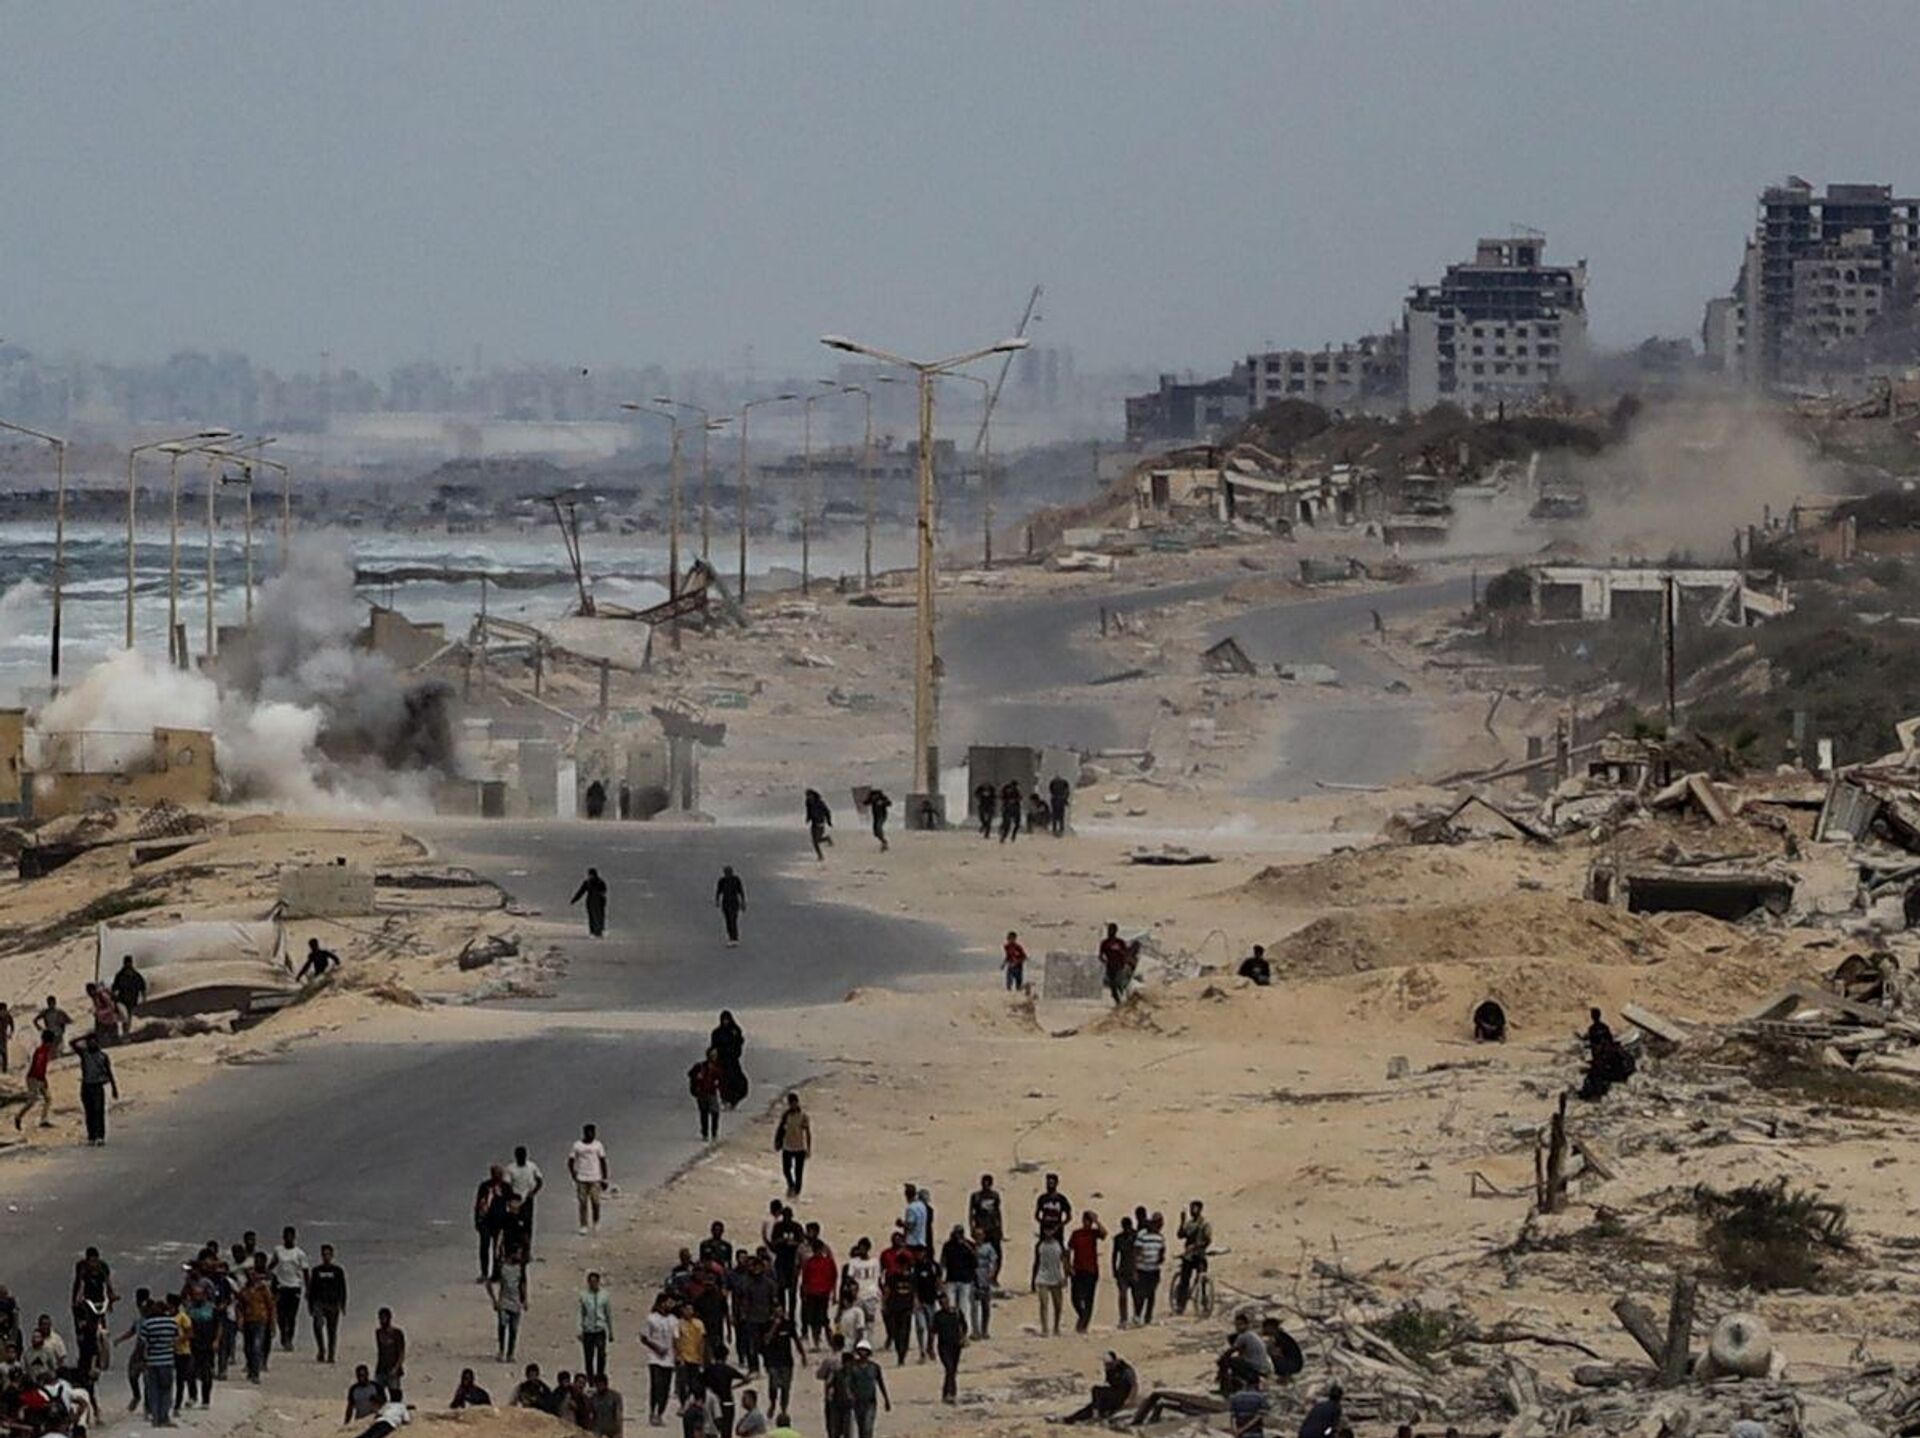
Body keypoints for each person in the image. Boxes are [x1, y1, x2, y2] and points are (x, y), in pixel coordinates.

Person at [1059, 1351, 1136, 1424]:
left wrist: (1129, 1399)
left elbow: (1134, 1385)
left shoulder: (1125, 1369)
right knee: (1090, 1407)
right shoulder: (1109, 1369)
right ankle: (1070, 1419)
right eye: (1106, 1364)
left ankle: (1096, 1414)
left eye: (1109, 1364)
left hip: (1121, 1395)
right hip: (1113, 1395)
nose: (1107, 1366)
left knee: (1096, 1390)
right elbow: (1108, 1383)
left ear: (1115, 1361)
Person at [138, 1297, 179, 1427]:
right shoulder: (172, 1323)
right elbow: (176, 1340)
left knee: (153, 1390)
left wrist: (141, 1359)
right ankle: (164, 1417)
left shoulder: (147, 1324)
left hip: (152, 1361)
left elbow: (142, 1343)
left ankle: (155, 1418)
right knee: (166, 1390)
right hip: (167, 1361)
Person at [642, 1294, 682, 1426]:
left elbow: (676, 1339)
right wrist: (657, 1348)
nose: (670, 1305)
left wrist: (677, 1355)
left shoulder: (674, 1320)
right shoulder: (651, 1318)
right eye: (668, 1303)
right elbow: (644, 1338)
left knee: (665, 1388)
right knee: (656, 1385)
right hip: (655, 1358)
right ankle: (652, 1411)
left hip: (669, 1359)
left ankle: (660, 1413)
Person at [759, 1306, 803, 1421]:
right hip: (773, 1361)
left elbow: (796, 1339)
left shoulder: (788, 1324)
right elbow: (766, 1340)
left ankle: (784, 1410)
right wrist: (774, 1326)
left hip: (786, 1361)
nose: (780, 1314)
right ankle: (773, 1403)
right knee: (773, 1385)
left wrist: (802, 1354)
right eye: (777, 1312)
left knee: (785, 1387)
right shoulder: (767, 1325)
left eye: (781, 1312)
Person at [73, 1033, 117, 1144]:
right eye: (90, 1042)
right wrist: (85, 1036)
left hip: (98, 1086)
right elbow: (72, 1043)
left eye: (94, 1042)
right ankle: (91, 1136)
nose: (92, 1044)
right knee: (89, 1112)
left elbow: (109, 1072)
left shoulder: (103, 1056)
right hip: (86, 1086)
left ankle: (100, 1136)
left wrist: (114, 1088)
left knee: (99, 1111)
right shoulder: (84, 1054)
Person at [270, 1226, 309, 1351]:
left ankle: (289, 1340)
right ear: (283, 1237)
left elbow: (306, 1272)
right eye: (286, 1236)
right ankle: (283, 1335)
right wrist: (267, 1275)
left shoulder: (299, 1253)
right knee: (280, 1315)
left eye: (291, 1236)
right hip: (281, 1287)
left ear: (294, 1237)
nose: (288, 1238)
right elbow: (272, 1264)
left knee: (291, 1316)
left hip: (295, 1287)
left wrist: (308, 1289)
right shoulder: (278, 1250)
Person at [7, 1032, 56, 1131]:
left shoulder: (43, 1050)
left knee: (48, 1099)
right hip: (34, 1078)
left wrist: (43, 1079)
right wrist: (41, 1079)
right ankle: (18, 1117)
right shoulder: (41, 1051)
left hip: (39, 1078)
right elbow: (38, 1066)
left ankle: (43, 1120)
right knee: (32, 1101)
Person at [308, 1243, 348, 1363]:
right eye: (324, 1254)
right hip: (319, 1303)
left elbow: (343, 1288)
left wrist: (343, 1304)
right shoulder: (316, 1271)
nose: (326, 1257)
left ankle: (331, 1354)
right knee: (317, 1326)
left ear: (332, 1255)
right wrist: (310, 1305)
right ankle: (321, 1349)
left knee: (332, 1330)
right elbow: (312, 1289)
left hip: (333, 1304)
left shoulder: (338, 1271)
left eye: (328, 1254)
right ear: (321, 1256)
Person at [1068, 1212, 1106, 1333]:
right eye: (1086, 1220)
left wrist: (1096, 1221)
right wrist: (1068, 1266)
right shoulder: (1076, 1233)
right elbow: (1069, 1249)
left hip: (1091, 1270)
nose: (1087, 1223)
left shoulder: (1094, 1233)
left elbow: (1104, 1233)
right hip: (1078, 1269)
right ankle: (1082, 1315)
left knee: (1089, 1299)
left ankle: (1083, 1325)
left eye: (1089, 1221)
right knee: (1075, 1298)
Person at [488, 1243, 527, 1361]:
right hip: (504, 1302)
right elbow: (489, 1283)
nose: (520, 1256)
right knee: (503, 1326)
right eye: (518, 1253)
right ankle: (501, 1350)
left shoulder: (520, 1268)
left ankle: (510, 1353)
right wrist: (494, 1300)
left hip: (516, 1302)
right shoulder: (502, 1268)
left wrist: (525, 1299)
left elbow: (523, 1284)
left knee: (513, 1329)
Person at [843, 1341, 889, 1438]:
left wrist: (886, 1399)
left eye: (864, 1350)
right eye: (860, 1350)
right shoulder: (852, 1367)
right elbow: (847, 1382)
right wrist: (849, 1395)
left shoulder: (874, 1367)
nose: (862, 1353)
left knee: (868, 1427)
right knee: (861, 1427)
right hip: (857, 1402)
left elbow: (880, 1383)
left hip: (870, 1402)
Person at [570, 1123, 610, 1234]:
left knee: (595, 1202)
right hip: (582, 1178)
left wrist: (604, 1178)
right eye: (589, 1133)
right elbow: (571, 1160)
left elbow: (603, 1161)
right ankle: (583, 1225)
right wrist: (574, 1174)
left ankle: (596, 1221)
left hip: (595, 1178)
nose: (591, 1135)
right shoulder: (577, 1145)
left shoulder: (598, 1145)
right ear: (584, 1133)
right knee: (582, 1202)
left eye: (593, 1133)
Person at [1173, 1200, 1212, 1315]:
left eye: (1194, 1208)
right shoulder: (1189, 1224)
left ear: (1200, 1209)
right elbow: (1180, 1235)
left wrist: (1197, 1246)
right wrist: (1182, 1221)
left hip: (1199, 1255)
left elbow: (1208, 1240)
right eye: (1191, 1208)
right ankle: (1181, 1305)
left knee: (1203, 1280)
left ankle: (1204, 1303)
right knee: (1184, 1280)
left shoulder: (1205, 1224)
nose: (1191, 1211)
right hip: (1189, 1256)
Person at [928, 1290, 967, 1404]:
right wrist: (930, 1348)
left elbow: (964, 1326)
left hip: (956, 1346)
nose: (944, 1304)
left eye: (945, 1301)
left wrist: (963, 1337)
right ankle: (950, 1393)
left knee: (952, 1370)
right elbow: (932, 1333)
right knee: (949, 1368)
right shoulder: (938, 1316)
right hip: (943, 1347)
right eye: (941, 1302)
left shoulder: (957, 1312)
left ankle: (949, 1393)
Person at [704, 1342, 749, 1438]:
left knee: (712, 1430)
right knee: (727, 1431)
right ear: (725, 1357)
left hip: (712, 1403)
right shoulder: (728, 1369)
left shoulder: (709, 1370)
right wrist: (735, 1387)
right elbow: (746, 1379)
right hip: (727, 1402)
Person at [504, 1144, 545, 1250]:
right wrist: (510, 1197)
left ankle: (527, 1249)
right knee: (513, 1223)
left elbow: (539, 1180)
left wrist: (533, 1192)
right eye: (519, 1155)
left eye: (523, 1155)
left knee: (527, 1224)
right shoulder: (510, 1168)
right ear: (516, 1156)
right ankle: (513, 1247)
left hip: (527, 1199)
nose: (521, 1157)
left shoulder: (532, 1166)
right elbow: (506, 1185)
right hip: (515, 1201)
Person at [475, 1164, 512, 1279]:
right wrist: (477, 1220)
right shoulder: (485, 1186)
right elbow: (478, 1204)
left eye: (500, 1174)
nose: (498, 1176)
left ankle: (496, 1273)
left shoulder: (505, 1187)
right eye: (496, 1174)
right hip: (486, 1221)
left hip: (500, 1222)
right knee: (484, 1246)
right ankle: (484, 1272)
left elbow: (510, 1203)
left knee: (498, 1249)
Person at [236, 1268, 274, 1380]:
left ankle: (255, 1373)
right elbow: (239, 1306)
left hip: (261, 1320)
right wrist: (240, 1319)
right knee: (248, 1347)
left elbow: (270, 1306)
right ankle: (251, 1367)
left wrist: (272, 1323)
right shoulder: (244, 1291)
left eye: (253, 1275)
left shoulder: (263, 1290)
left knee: (257, 1346)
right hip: (248, 1320)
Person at [1031, 1225, 1068, 1337]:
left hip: (1056, 1277)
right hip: (1042, 1277)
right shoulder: (1040, 1245)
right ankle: (1045, 1328)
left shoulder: (1059, 1245)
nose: (1048, 1232)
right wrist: (1033, 1280)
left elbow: (1064, 1261)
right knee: (1043, 1304)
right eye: (1046, 1230)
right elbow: (1036, 1262)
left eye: (1050, 1230)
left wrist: (1065, 1276)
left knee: (1058, 1305)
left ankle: (1056, 1327)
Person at [775, 1093, 812, 1197]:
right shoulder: (786, 1115)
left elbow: (807, 1132)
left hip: (800, 1147)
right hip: (787, 1146)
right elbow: (780, 1129)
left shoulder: (803, 1116)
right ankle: (791, 1185)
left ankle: (797, 1192)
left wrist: (808, 1148)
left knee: (798, 1172)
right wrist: (777, 1142)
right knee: (786, 1169)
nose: (793, 1105)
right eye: (791, 1103)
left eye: (794, 1103)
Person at [1131, 1213, 1166, 1325]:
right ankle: (1137, 1315)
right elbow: (1136, 1251)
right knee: (1141, 1294)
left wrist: (1160, 1258)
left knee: (1151, 1294)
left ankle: (1148, 1317)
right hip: (1142, 1269)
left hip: (1154, 1270)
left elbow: (1162, 1251)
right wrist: (1134, 1269)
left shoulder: (1160, 1237)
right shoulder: (1142, 1235)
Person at [579, 1272, 614, 1379]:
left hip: (600, 1329)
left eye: (595, 1281)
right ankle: (590, 1378)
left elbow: (608, 1314)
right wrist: (580, 1329)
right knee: (588, 1356)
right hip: (588, 1330)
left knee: (601, 1354)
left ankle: (600, 1376)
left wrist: (611, 1331)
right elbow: (581, 1313)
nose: (593, 1284)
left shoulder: (604, 1296)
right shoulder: (584, 1296)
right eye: (591, 1282)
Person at [712, 1011, 749, 1107]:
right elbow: (714, 1047)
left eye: (727, 1019)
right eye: (724, 1020)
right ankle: (726, 1099)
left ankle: (734, 1099)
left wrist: (735, 1046)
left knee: (737, 1079)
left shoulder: (735, 1030)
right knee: (723, 1081)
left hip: (733, 1061)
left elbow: (738, 1044)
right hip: (722, 1061)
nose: (725, 1022)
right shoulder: (717, 1033)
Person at [689, 1049, 725, 1141]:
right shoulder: (700, 1067)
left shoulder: (717, 1067)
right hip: (703, 1093)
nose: (714, 1057)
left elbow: (721, 1080)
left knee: (714, 1113)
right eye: (712, 1055)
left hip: (711, 1093)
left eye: (715, 1055)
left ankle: (713, 1133)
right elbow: (691, 1074)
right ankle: (706, 1133)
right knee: (705, 1113)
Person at [373, 1308, 406, 1399]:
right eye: (380, 1318)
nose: (382, 1321)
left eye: (384, 1318)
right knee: (378, 1392)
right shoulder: (378, 1333)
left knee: (395, 1394)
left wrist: (396, 1368)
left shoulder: (397, 1333)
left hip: (393, 1368)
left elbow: (401, 1352)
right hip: (381, 1368)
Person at [1112, 1215, 1138, 1328]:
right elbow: (1114, 1255)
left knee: (1136, 1295)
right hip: (1123, 1270)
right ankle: (1123, 1318)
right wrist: (1114, 1269)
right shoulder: (1118, 1239)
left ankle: (1136, 1316)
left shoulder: (1136, 1236)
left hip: (1134, 1269)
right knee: (1123, 1295)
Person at [1099, 923, 1134, 1005]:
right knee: (1113, 986)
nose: (1110, 932)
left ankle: (1126, 1000)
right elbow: (1101, 955)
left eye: (1112, 930)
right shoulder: (1105, 943)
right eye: (1109, 930)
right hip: (1110, 967)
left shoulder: (1120, 942)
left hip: (1120, 967)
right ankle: (1118, 1002)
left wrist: (1121, 953)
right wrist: (1104, 961)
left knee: (1120, 984)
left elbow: (1126, 953)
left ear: (1115, 931)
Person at [571, 868, 610, 938]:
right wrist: (574, 900)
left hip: (599, 902)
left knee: (599, 917)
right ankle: (593, 931)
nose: (590, 876)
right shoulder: (587, 883)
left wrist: (602, 898)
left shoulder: (600, 882)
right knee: (592, 917)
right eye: (589, 875)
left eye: (591, 875)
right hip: (590, 902)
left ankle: (599, 931)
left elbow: (604, 892)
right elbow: (581, 892)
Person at [715, 867, 747, 946]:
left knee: (733, 920)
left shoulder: (736, 880)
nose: (728, 874)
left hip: (734, 903)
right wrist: (717, 900)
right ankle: (730, 937)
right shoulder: (722, 881)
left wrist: (743, 902)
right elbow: (718, 891)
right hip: (725, 904)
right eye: (726, 873)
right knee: (728, 921)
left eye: (729, 873)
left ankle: (734, 938)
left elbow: (741, 891)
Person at [1034, 1173, 1072, 1239]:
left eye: (1051, 1183)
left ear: (1056, 1184)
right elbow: (1037, 1215)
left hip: (1057, 1232)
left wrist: (1059, 1225)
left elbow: (1068, 1217)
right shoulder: (1042, 1198)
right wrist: (1042, 1223)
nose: (1049, 1185)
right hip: (1044, 1231)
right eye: (1048, 1183)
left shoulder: (1061, 1199)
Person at [590, 1372, 625, 1437]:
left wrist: (619, 1432)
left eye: (600, 1384)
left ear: (605, 1384)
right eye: (597, 1385)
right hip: (598, 1429)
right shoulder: (593, 1398)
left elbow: (618, 1415)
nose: (599, 1387)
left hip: (612, 1429)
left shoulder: (615, 1396)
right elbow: (592, 1415)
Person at [805, 789, 834, 861]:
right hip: (814, 824)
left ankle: (827, 839)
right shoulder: (808, 803)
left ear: (813, 795)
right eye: (807, 796)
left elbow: (827, 812)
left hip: (820, 823)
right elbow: (808, 811)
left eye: (810, 795)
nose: (809, 797)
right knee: (814, 841)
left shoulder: (820, 803)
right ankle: (820, 856)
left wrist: (829, 821)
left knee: (817, 840)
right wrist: (808, 818)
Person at [865, 788, 891, 852]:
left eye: (875, 796)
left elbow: (889, 803)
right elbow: (865, 802)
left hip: (882, 816)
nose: (874, 797)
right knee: (876, 833)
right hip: (876, 817)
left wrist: (883, 803)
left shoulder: (882, 798)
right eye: (873, 796)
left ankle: (884, 843)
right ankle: (883, 841)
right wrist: (869, 800)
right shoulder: (872, 800)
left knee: (878, 827)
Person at [0, 999, 12, 1072]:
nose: (4, 1011)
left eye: (5, 1009)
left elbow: (12, 1025)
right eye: (2, 1010)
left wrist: (10, 1033)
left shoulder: (8, 1016)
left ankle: (4, 1069)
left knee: (4, 1053)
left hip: (3, 1037)